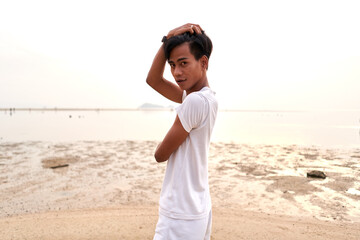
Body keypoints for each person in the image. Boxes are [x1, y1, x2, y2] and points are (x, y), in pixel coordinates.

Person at [146, 23, 218, 240]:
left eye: (184, 63)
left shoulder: (193, 102)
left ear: (203, 62)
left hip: (180, 214)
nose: (177, 72)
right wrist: (167, 39)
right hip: (198, 206)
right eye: (172, 64)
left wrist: (168, 39)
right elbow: (154, 80)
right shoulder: (207, 98)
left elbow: (160, 155)